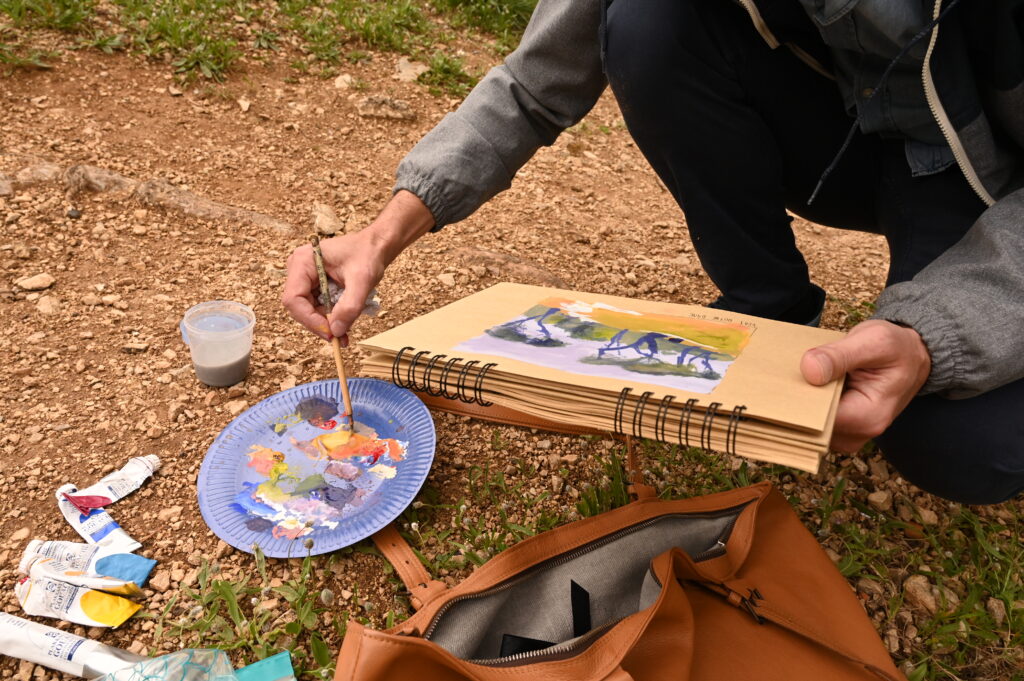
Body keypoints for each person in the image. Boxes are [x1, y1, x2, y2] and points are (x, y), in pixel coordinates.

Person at [283, 0, 1024, 505]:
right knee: (648, 20)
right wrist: (380, 235)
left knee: (962, 440)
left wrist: (939, 332)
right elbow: (535, 79)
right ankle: (769, 311)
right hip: (837, 126)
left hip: (982, 165)